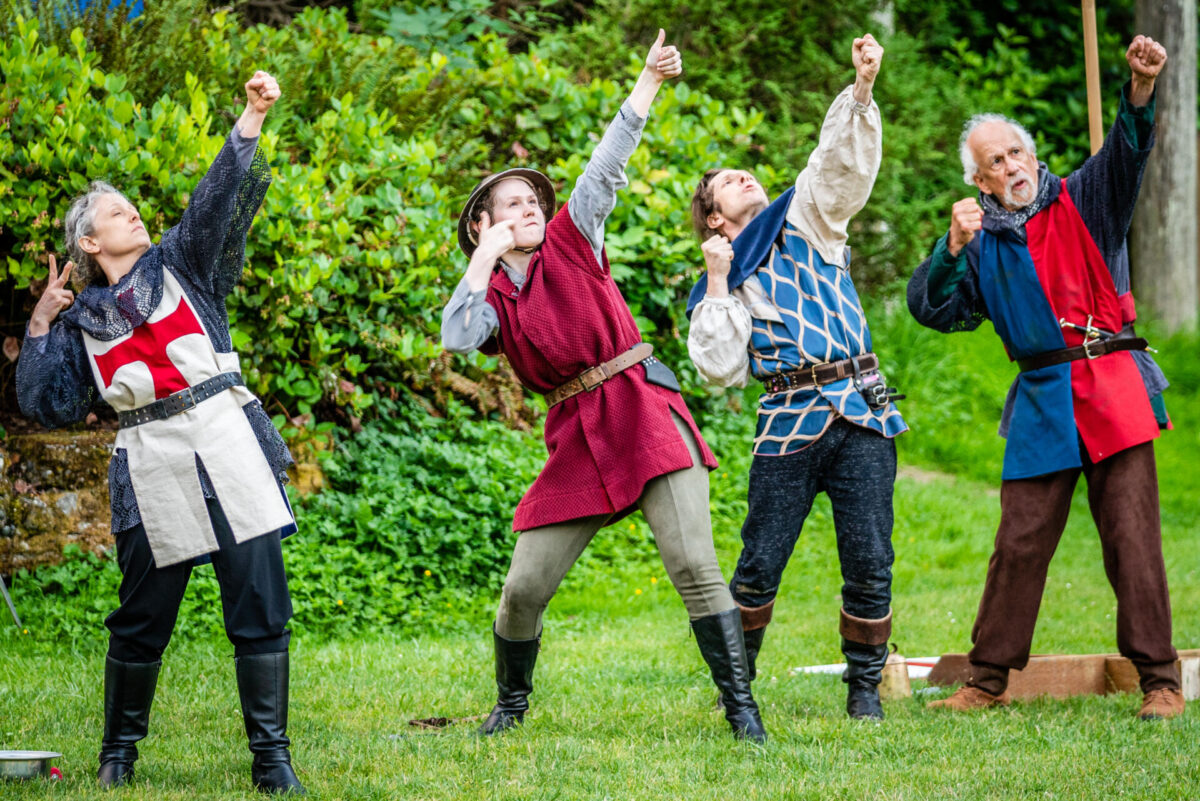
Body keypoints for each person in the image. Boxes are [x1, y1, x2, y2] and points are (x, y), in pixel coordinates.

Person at [441, 30, 765, 743]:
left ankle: (743, 713)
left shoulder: (572, 234)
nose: (528, 208)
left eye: (532, 199)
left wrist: (649, 79)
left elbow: (607, 163)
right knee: (523, 588)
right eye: (510, 205)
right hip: (574, 437)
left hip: (641, 408)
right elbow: (458, 337)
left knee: (692, 563)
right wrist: (481, 263)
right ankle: (510, 706)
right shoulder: (491, 294)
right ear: (481, 226)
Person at [17, 72, 308, 792]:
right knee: (143, 614)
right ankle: (118, 754)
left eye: (133, 207)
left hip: (227, 440)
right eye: (118, 214)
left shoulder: (184, 262)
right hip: (149, 459)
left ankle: (272, 761)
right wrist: (42, 324)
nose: (134, 216)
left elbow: (214, 203)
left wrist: (251, 116)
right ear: (89, 238)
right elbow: (47, 404)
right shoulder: (82, 320)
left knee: (260, 603)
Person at [907, 36, 1182, 720]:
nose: (1011, 166)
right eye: (995, 163)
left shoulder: (1088, 197)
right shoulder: (977, 244)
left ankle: (1160, 681)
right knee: (1019, 541)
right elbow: (929, 308)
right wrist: (949, 249)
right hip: (1040, 399)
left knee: (1132, 537)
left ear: (1034, 156)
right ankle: (987, 678)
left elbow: (1129, 151)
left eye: (1016, 153)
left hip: (1113, 384)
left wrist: (1140, 91)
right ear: (981, 181)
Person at [685, 34, 905, 721]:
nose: (744, 176)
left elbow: (838, 168)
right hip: (790, 416)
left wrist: (862, 89)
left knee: (870, 557)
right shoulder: (722, 280)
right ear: (716, 217)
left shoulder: (807, 216)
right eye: (727, 181)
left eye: (745, 171)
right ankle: (737, 691)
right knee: (759, 564)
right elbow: (720, 367)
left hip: (863, 404)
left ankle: (864, 691)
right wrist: (720, 278)